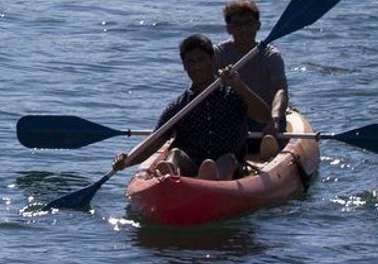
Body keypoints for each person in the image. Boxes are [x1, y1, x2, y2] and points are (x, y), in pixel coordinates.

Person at [115, 34, 282, 183]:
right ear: (184, 66)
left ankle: (213, 181)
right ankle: (170, 177)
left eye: (201, 60)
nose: (197, 67)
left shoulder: (233, 94)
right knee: (175, 154)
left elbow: (263, 116)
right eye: (191, 62)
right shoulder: (179, 105)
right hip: (190, 162)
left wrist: (239, 85)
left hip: (229, 164)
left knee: (227, 160)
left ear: (213, 60)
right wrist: (127, 160)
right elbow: (155, 140)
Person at [214, 0, 288, 115]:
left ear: (258, 25)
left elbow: (280, 90)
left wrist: (275, 117)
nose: (244, 29)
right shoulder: (217, 54)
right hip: (230, 118)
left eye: (249, 23)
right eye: (237, 24)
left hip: (266, 117)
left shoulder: (271, 55)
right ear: (228, 29)